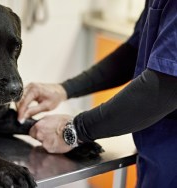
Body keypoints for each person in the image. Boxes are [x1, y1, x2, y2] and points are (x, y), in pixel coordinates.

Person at [17, 0, 177, 187]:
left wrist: (74, 130)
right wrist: (65, 89)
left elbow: (165, 88)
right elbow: (136, 51)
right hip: (158, 161)